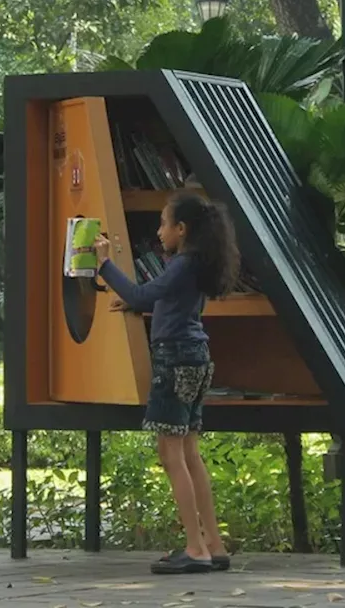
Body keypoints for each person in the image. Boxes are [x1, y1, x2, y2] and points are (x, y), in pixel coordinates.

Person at [93, 192, 239, 575]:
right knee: (190, 452)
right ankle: (214, 543)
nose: (159, 232)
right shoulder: (196, 265)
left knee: (170, 455)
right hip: (196, 359)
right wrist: (139, 303)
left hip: (174, 361)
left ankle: (195, 548)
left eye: (163, 224)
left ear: (181, 229)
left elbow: (143, 293)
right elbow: (160, 302)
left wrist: (104, 264)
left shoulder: (182, 265)